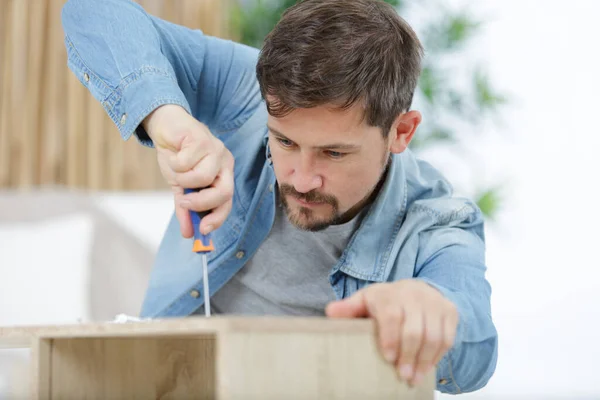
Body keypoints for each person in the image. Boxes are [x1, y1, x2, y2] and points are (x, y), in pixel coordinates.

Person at [61, 0, 497, 393]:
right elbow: (92, 13)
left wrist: (433, 309)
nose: (302, 180)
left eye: (333, 152)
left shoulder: (438, 221)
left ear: (401, 132)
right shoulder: (250, 91)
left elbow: (475, 353)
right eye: (284, 142)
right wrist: (168, 122)